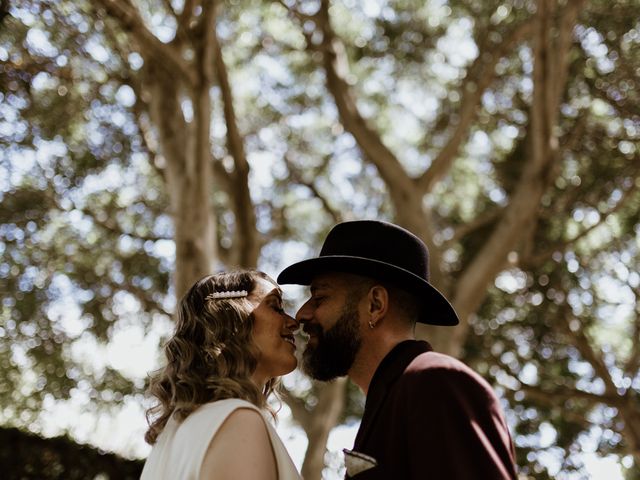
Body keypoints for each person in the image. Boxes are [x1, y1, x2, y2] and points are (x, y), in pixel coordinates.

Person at [278, 220, 518, 479]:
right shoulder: (392, 399)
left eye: (320, 297)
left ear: (375, 305)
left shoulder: (435, 382)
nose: (302, 314)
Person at [141, 270, 302, 480]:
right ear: (232, 316)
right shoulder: (238, 421)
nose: (293, 322)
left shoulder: (174, 435)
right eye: (275, 306)